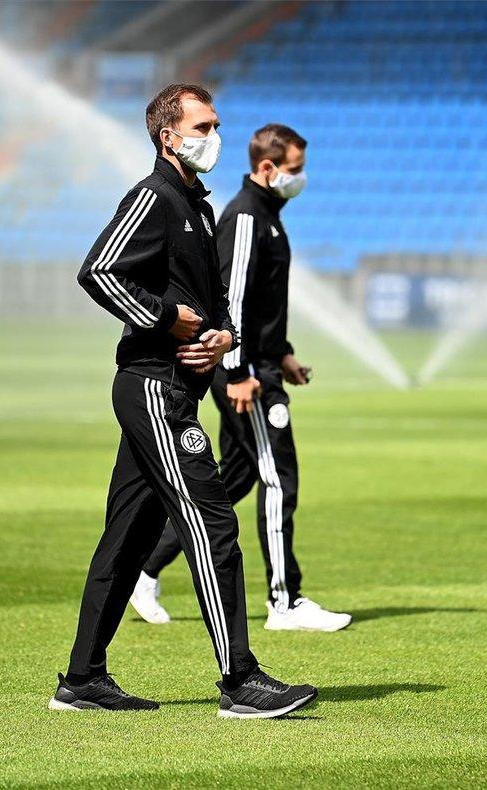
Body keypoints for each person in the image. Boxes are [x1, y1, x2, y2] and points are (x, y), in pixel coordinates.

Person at [54, 85, 317, 719]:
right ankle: (240, 683)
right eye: (203, 125)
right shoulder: (153, 196)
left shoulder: (196, 205)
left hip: (175, 386)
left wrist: (220, 337)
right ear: (169, 136)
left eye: (217, 123)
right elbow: (99, 271)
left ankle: (83, 679)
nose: (214, 135)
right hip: (152, 387)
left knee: (126, 538)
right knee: (214, 522)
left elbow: (215, 301)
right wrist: (171, 321)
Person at [130, 124, 352, 632]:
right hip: (245, 376)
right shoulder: (248, 217)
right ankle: (285, 602)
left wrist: (285, 352)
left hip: (261, 366)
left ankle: (146, 570)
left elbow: (263, 305)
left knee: (238, 476)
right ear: (268, 167)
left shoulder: (268, 215)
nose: (301, 178)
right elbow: (230, 302)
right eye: (295, 169)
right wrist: (239, 372)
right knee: (279, 478)